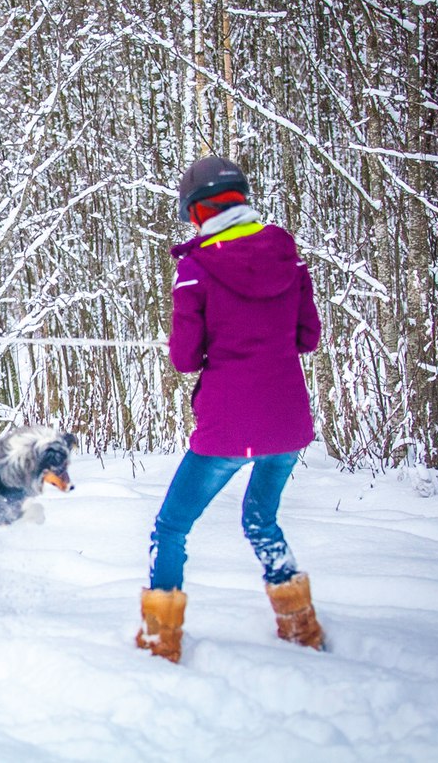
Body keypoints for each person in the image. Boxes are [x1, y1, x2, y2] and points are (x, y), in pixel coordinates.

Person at [135, 156, 325, 663]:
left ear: (197, 211)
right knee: (261, 520)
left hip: (230, 427)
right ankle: (300, 626)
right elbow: (309, 338)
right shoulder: (289, 257)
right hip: (287, 424)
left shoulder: (196, 269)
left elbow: (183, 358)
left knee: (171, 527)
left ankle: (161, 637)